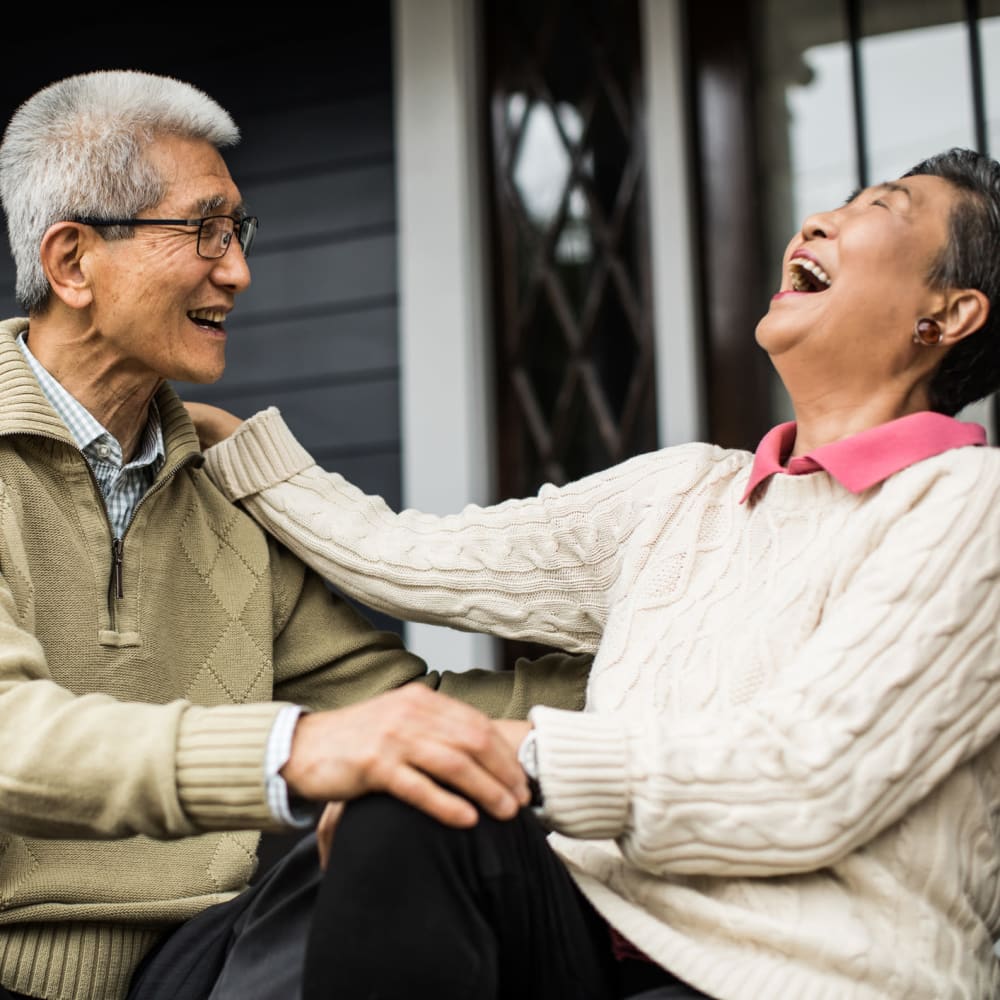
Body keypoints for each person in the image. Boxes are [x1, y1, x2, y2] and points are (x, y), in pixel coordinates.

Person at [189, 145, 1000, 999]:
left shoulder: (967, 503)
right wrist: (232, 443)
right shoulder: (688, 492)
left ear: (949, 315)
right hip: (594, 939)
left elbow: (813, 774)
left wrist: (514, 751)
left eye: (883, 206)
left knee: (435, 765)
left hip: (810, 977)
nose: (820, 218)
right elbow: (417, 559)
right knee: (409, 797)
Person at [0, 69, 595, 1000]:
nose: (236, 268)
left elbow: (410, 708)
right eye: (202, 230)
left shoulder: (221, 488)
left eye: (237, 231)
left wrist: (679, 660)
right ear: (73, 262)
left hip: (207, 956)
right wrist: (297, 750)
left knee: (424, 805)